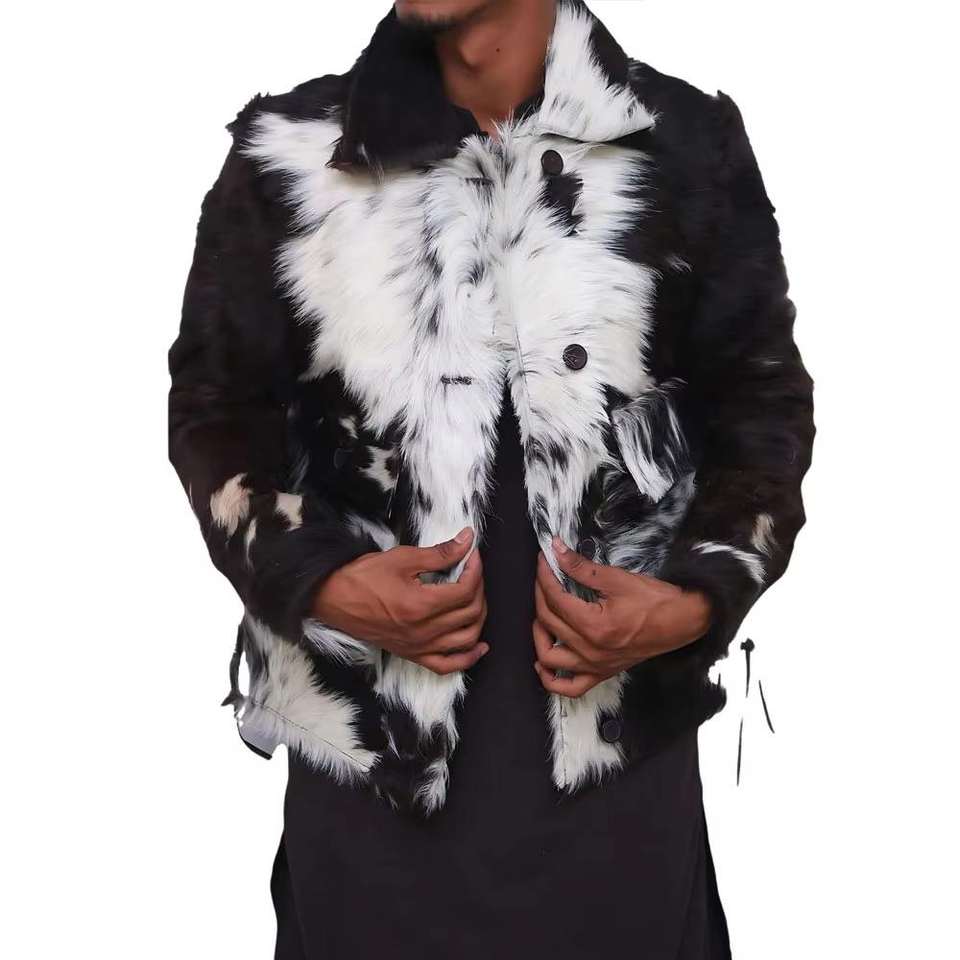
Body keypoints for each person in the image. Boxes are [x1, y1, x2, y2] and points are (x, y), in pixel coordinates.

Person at [167, 0, 815, 955]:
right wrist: (325, 584)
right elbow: (214, 413)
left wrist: (689, 604)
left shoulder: (684, 149)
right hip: (369, 790)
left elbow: (762, 410)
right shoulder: (289, 157)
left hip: (618, 796)